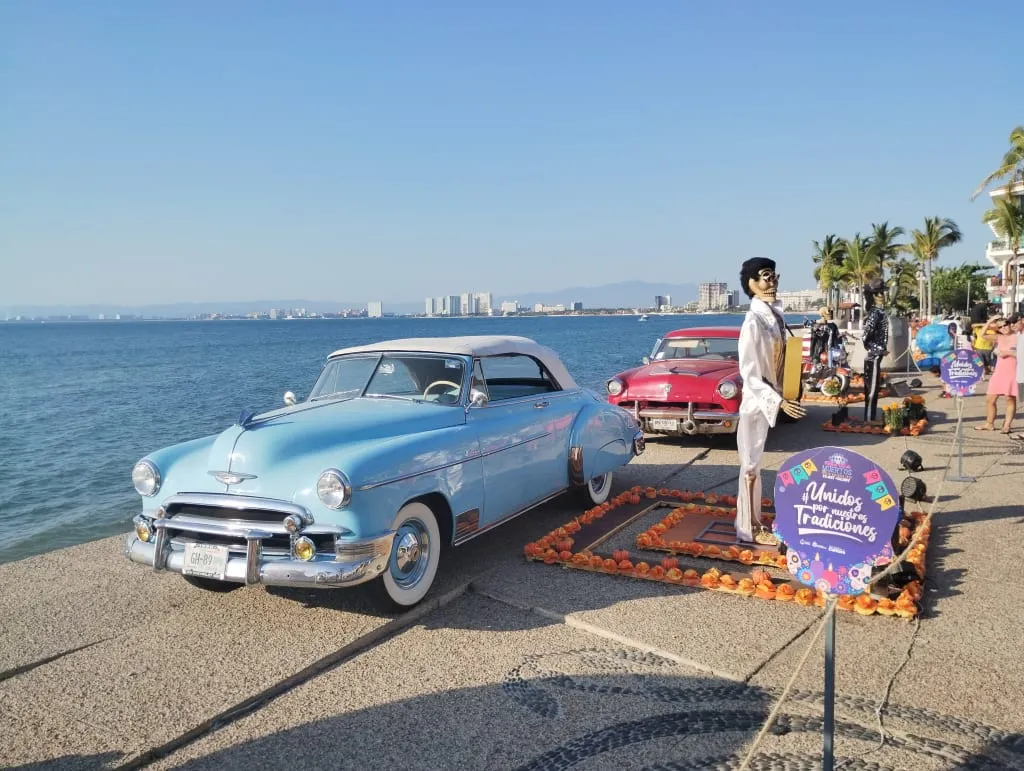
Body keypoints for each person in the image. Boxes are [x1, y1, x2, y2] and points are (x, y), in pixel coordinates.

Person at [735, 257, 806, 545]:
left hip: (771, 398)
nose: (772, 282)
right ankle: (747, 528)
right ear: (752, 284)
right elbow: (749, 373)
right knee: (749, 466)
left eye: (774, 276)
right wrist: (777, 401)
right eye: (766, 277)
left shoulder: (773, 316)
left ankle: (752, 522)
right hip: (756, 402)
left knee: (754, 462)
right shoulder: (752, 322)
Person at [974, 314, 1018, 434]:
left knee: (1010, 399)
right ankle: (989, 423)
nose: (1004, 328)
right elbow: (981, 335)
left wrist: (1009, 353)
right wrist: (990, 321)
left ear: (1010, 325)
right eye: (1001, 327)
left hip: (1013, 371)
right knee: (990, 399)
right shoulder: (999, 337)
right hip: (999, 372)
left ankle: (1007, 425)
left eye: (1006, 325)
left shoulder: (1018, 337)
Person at [861, 278, 889, 423]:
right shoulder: (874, 314)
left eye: (882, 293)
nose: (882, 296)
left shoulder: (879, 312)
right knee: (871, 389)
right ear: (873, 296)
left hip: (876, 356)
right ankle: (869, 419)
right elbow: (865, 337)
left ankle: (870, 418)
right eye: (878, 293)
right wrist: (878, 349)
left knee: (874, 387)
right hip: (873, 356)